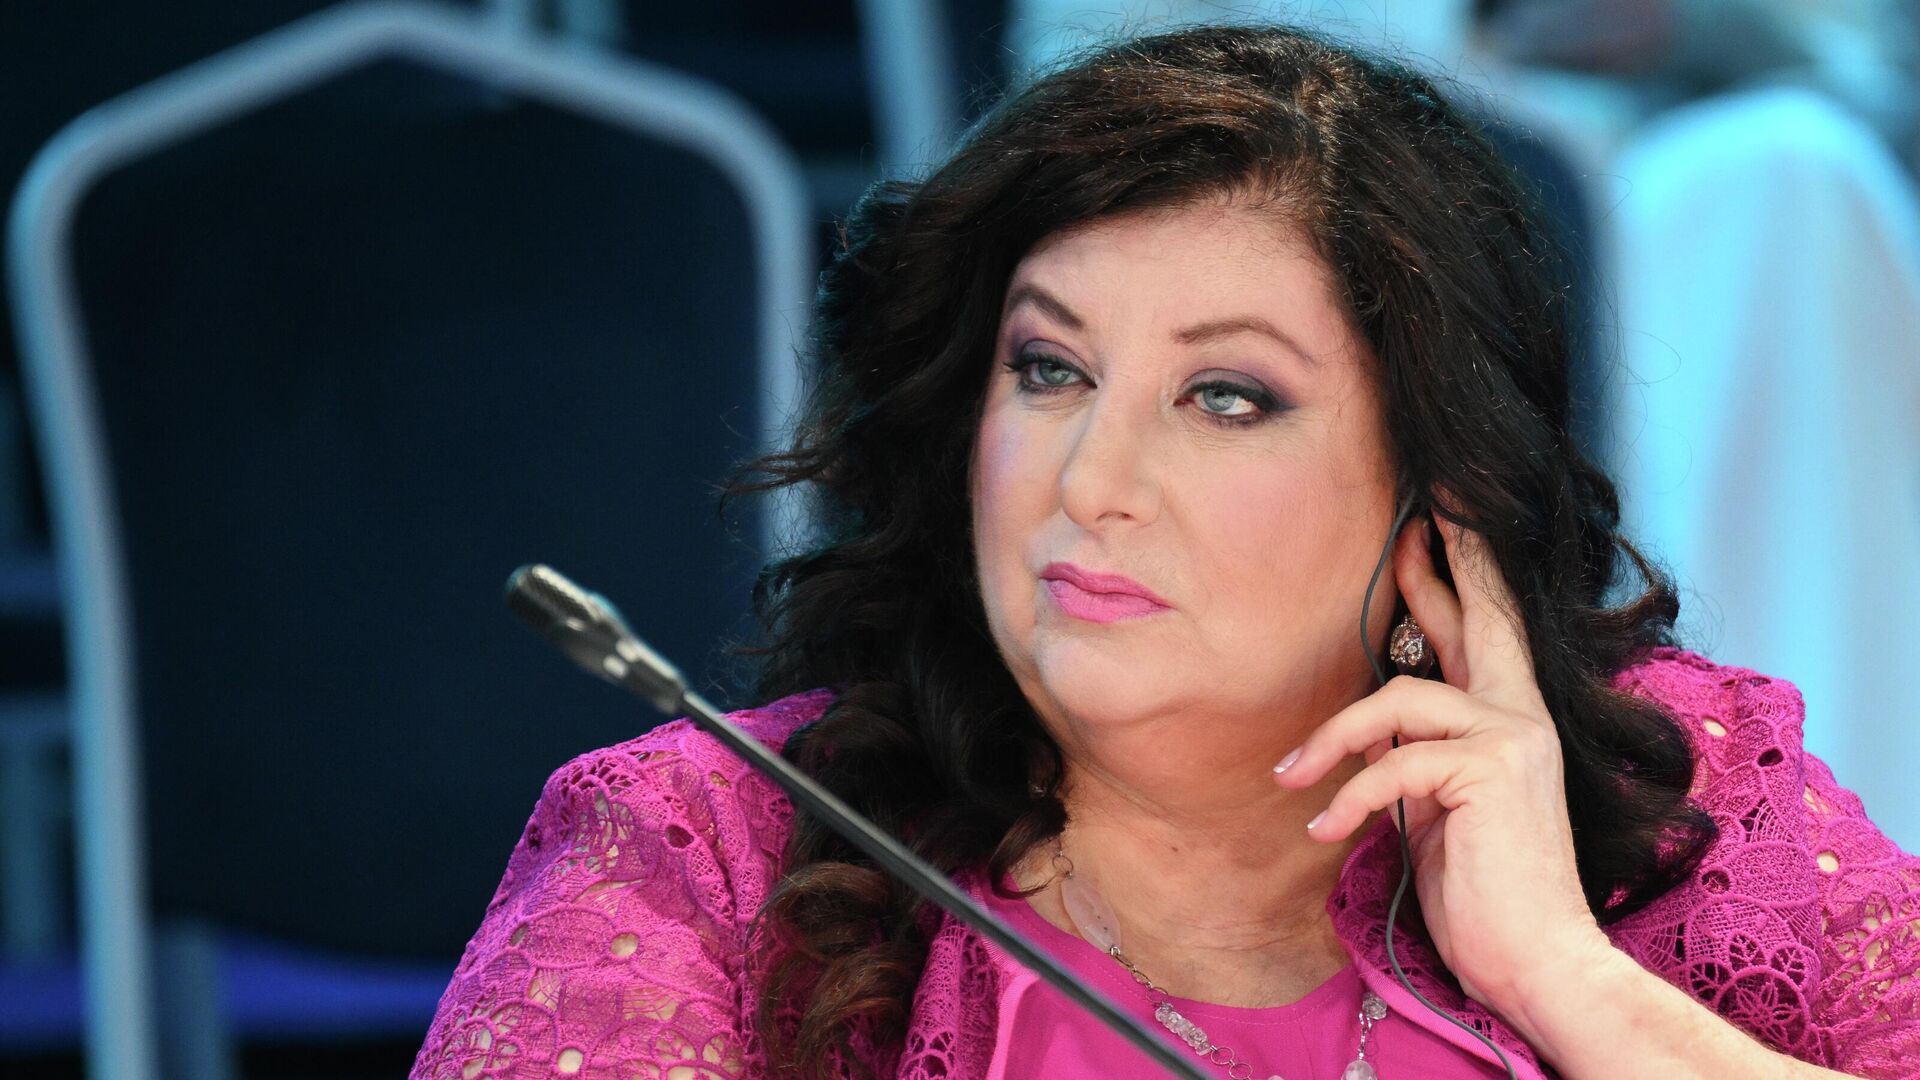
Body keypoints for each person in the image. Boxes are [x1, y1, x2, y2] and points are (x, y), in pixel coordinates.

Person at [408, 24, 1920, 1080]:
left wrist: (1560, 975)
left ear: (1439, 489)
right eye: (1049, 371)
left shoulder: (1690, 803)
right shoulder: (701, 850)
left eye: (1226, 398)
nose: (1092, 481)